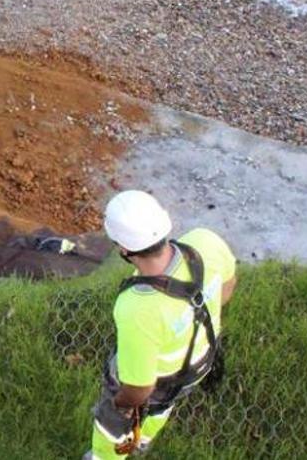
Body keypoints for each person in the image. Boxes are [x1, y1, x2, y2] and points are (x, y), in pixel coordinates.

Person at [85, 190, 237, 459]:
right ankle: (142, 439)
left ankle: (106, 455)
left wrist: (118, 404)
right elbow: (228, 283)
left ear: (123, 248)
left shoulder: (138, 307)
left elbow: (140, 387)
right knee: (163, 406)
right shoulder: (206, 242)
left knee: (113, 422)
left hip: (161, 378)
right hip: (199, 363)